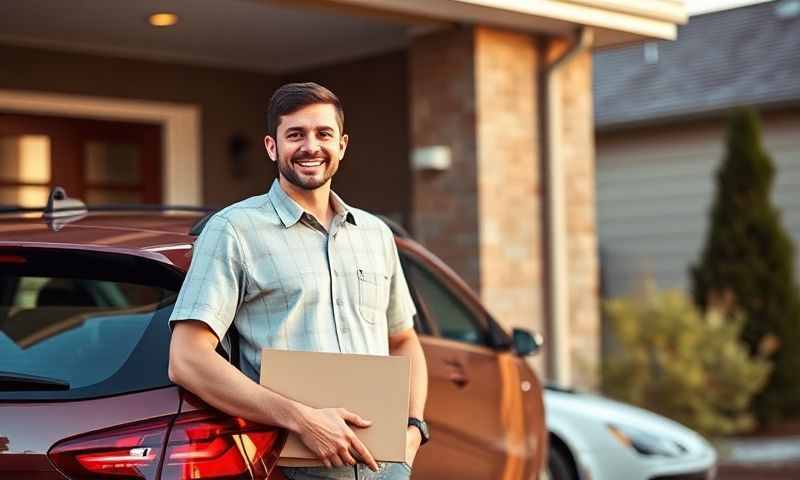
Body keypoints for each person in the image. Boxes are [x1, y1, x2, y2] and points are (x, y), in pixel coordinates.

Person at [168, 82, 429, 480]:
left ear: (342, 144)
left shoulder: (375, 234)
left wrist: (413, 429)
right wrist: (303, 420)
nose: (311, 147)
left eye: (323, 134)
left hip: (386, 468)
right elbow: (187, 359)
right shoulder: (234, 230)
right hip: (288, 468)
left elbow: (403, 339)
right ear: (272, 147)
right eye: (296, 135)